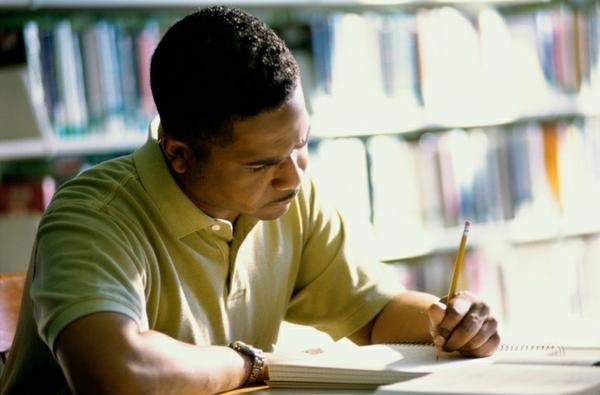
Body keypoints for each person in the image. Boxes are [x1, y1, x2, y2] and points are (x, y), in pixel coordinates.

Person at [0, 6, 500, 395]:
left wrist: (447, 322)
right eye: (260, 165)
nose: (293, 178)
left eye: (301, 146)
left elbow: (370, 313)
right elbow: (119, 375)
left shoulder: (290, 197)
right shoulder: (92, 216)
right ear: (178, 154)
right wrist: (251, 362)